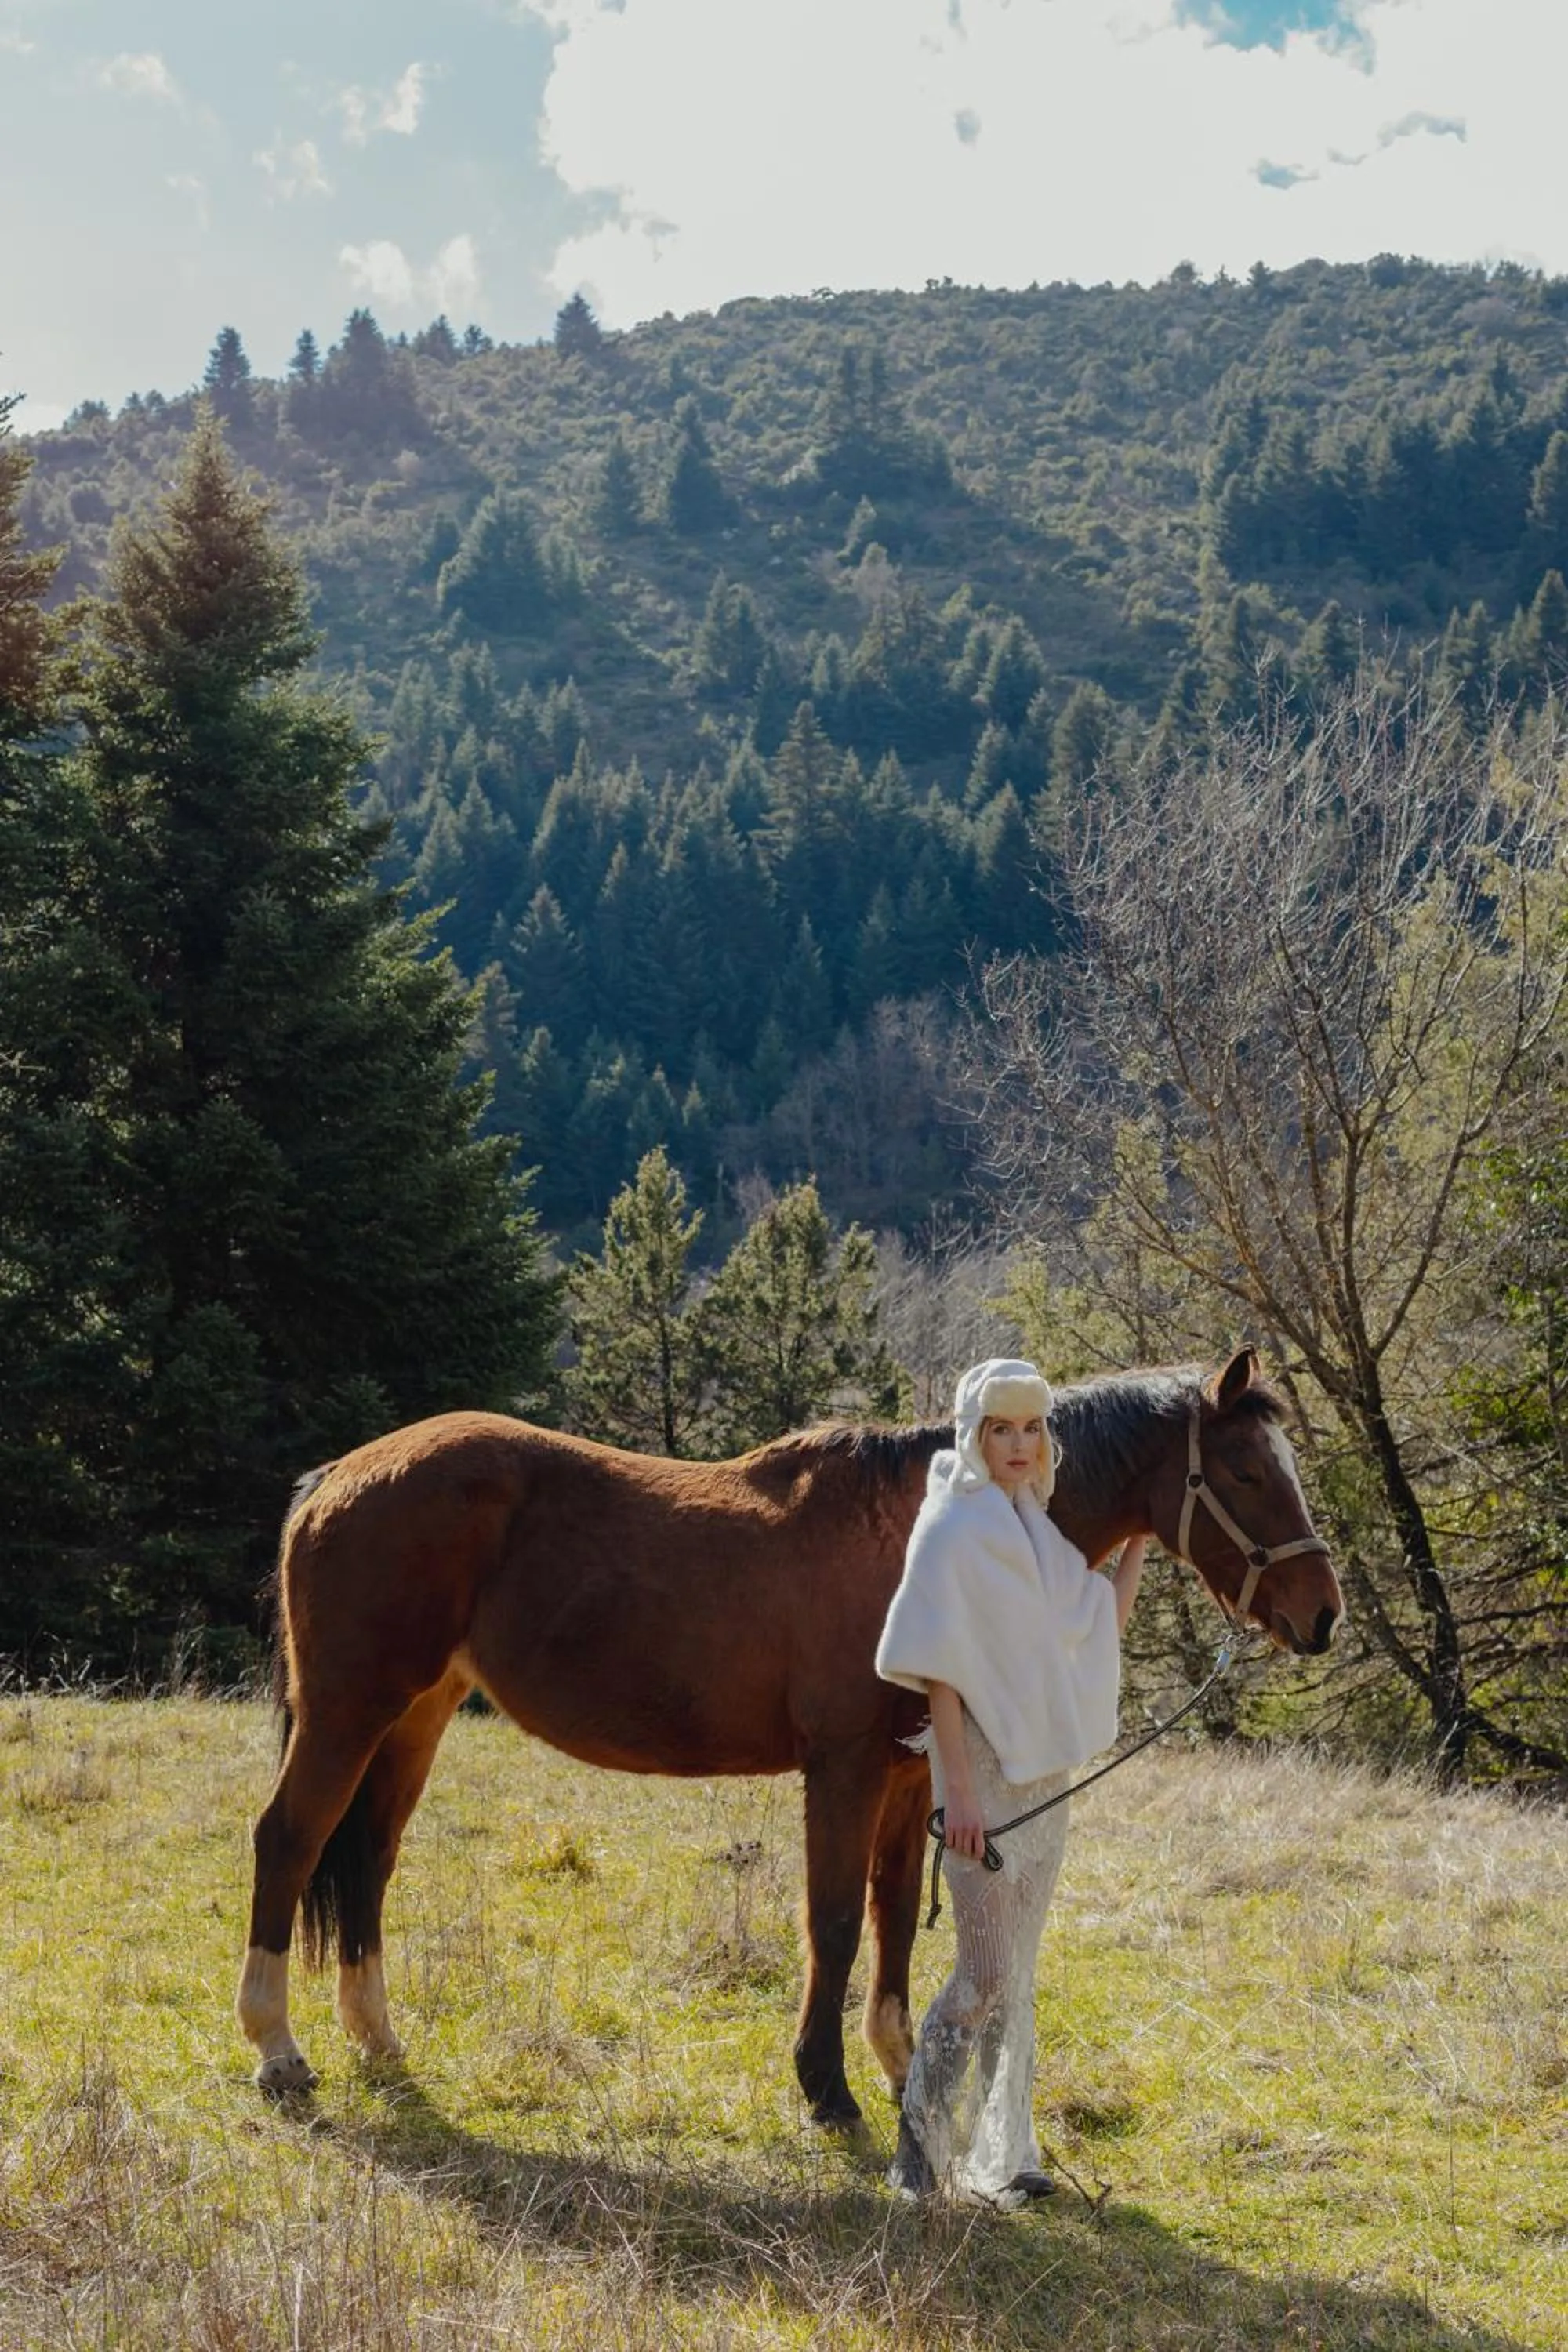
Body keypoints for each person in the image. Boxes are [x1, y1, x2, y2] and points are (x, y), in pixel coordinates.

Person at [875, 1357, 1146, 2208]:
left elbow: (1097, 1625)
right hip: (982, 1781)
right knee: (984, 1973)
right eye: (1002, 1429)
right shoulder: (952, 1527)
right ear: (975, 1436)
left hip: (1042, 1787)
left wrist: (1140, 1542)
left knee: (1017, 1975)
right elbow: (939, 1670)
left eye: (1032, 1428)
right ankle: (918, 2151)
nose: (1020, 1445)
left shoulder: (1034, 1529)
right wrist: (955, 1791)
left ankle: (1009, 2153)